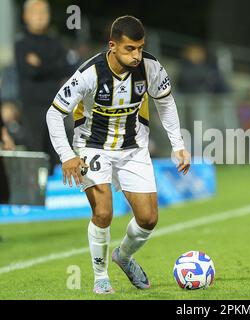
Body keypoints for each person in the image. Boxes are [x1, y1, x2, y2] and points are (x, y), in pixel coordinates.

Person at [46, 15, 191, 294]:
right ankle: (101, 276)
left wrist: (178, 144)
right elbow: (54, 113)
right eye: (129, 49)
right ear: (113, 46)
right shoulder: (89, 73)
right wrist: (66, 155)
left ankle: (123, 256)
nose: (137, 55)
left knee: (148, 219)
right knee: (103, 212)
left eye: (140, 47)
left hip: (133, 147)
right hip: (93, 146)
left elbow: (166, 103)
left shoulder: (150, 67)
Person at [15, 0, 71, 167]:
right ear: (25, 16)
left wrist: (41, 65)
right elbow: (30, 71)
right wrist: (51, 65)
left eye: (43, 12)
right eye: (35, 12)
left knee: (58, 152)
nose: (40, 16)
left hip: (56, 106)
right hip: (32, 108)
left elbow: (65, 68)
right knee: (36, 152)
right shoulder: (21, 43)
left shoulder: (56, 42)